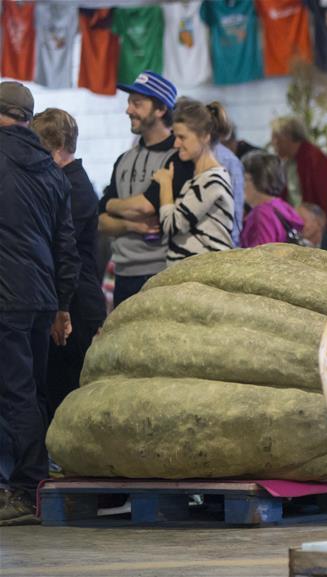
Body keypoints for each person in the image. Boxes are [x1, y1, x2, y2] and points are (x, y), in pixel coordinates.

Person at [0, 82, 79, 525]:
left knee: (14, 394)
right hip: (40, 298)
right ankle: (32, 484)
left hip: (5, 295)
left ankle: (24, 490)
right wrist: (61, 304)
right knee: (29, 390)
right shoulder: (52, 170)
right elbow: (67, 245)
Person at [30, 108, 106, 420]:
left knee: (69, 393)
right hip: (69, 297)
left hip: (77, 303)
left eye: (41, 150)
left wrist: (61, 308)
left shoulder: (74, 187)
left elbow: (64, 252)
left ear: (59, 147)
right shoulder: (64, 183)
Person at [98, 70, 178, 307]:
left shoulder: (178, 157)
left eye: (137, 103)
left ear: (160, 109)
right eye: (129, 102)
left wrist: (112, 206)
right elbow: (101, 221)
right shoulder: (124, 159)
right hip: (123, 272)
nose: (128, 110)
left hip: (162, 272)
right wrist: (131, 225)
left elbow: (145, 207)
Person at [151, 98, 234, 265]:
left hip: (205, 274)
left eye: (182, 137)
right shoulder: (201, 178)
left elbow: (172, 225)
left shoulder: (212, 181)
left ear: (205, 136)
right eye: (175, 136)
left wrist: (165, 183)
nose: (176, 144)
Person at [269, 115, 327, 221]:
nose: (273, 143)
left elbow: (326, 198)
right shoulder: (287, 162)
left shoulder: (314, 159)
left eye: (275, 137)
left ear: (288, 137)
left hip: (315, 224)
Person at [240, 151, 305, 248]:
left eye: (244, 179)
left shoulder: (261, 214)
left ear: (258, 180)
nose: (240, 185)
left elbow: (261, 254)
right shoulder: (281, 206)